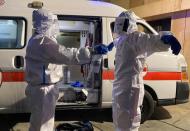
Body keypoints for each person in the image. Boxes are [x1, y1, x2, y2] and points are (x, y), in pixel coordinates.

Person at [25, 8, 108, 131]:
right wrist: (92, 51)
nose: (55, 26)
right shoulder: (43, 42)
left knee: (41, 122)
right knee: (42, 126)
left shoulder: (37, 40)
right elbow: (67, 54)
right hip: (43, 90)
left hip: (42, 89)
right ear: (46, 23)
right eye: (53, 23)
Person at [108, 11, 181, 131]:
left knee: (128, 123)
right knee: (121, 121)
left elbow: (151, 41)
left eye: (120, 24)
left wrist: (166, 38)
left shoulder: (134, 38)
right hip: (123, 88)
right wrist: (111, 44)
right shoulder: (123, 40)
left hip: (130, 88)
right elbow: (147, 42)